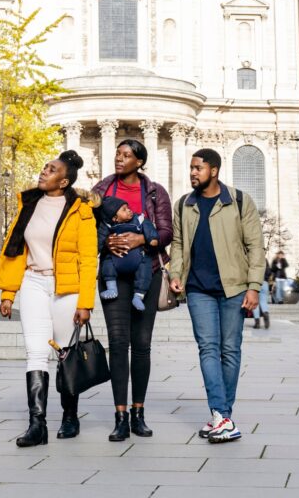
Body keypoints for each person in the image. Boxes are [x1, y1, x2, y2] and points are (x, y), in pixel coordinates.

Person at [0, 151, 97, 447]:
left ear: (63, 181)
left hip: (67, 288)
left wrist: (85, 303)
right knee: (35, 352)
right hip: (33, 283)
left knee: (65, 354)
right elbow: (14, 249)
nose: (43, 172)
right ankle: (37, 425)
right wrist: (8, 292)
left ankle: (69, 416)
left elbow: (89, 260)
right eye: (44, 167)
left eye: (51, 170)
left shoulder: (81, 211)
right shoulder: (28, 204)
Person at [169, 148, 265, 444]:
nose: (192, 173)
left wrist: (254, 286)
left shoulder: (238, 201)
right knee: (208, 349)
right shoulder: (184, 204)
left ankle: (222, 416)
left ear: (214, 170)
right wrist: (175, 273)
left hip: (234, 287)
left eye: (198, 168)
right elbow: (178, 242)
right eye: (191, 168)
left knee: (230, 350)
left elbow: (255, 245)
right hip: (198, 289)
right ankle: (221, 414)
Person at [92, 139, 173, 442]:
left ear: (139, 162)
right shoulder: (101, 191)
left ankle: (138, 412)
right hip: (111, 274)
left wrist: (142, 241)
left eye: (127, 155)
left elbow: (166, 231)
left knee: (141, 344)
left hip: (146, 274)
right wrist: (106, 243)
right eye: (118, 154)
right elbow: (87, 229)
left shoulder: (154, 191)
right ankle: (120, 415)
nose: (119, 158)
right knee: (117, 341)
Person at [97, 197, 159, 308]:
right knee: (107, 262)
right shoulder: (107, 225)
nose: (129, 210)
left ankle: (139, 296)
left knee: (145, 267)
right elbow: (100, 240)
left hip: (138, 257)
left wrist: (151, 238)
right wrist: (104, 244)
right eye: (124, 209)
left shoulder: (139, 219)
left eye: (128, 207)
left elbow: (148, 226)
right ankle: (112, 288)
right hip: (115, 259)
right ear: (115, 218)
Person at [253, 260, 272, 329]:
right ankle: (265, 314)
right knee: (263, 302)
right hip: (264, 283)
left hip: (255, 283)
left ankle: (257, 323)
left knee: (255, 303)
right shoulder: (265, 260)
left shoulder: (253, 258)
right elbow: (269, 272)